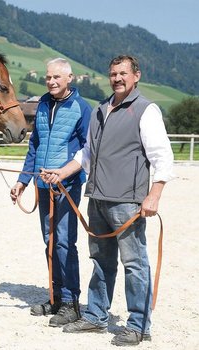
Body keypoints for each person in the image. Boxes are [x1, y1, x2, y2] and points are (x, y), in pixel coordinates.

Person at [40, 55, 174, 346]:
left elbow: (162, 155)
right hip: (97, 198)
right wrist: (61, 173)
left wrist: (154, 194)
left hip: (128, 202)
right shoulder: (101, 109)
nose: (117, 78)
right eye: (113, 74)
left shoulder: (145, 110)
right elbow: (86, 154)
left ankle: (138, 325)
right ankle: (97, 316)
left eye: (123, 73)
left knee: (135, 264)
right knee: (100, 261)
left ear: (136, 76)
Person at [10, 58, 92, 327]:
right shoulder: (43, 104)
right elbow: (34, 146)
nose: (52, 81)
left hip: (66, 186)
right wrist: (23, 180)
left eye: (57, 77)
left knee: (64, 242)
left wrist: (64, 174)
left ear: (70, 78)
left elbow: (86, 151)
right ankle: (55, 297)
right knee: (49, 240)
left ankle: (71, 303)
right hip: (42, 185)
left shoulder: (82, 108)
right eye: (48, 77)